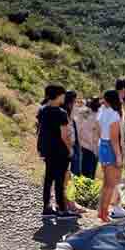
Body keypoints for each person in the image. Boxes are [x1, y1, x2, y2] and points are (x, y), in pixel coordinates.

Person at [38, 84, 76, 220]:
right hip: (60, 150)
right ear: (59, 95)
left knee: (49, 178)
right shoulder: (61, 113)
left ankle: (46, 208)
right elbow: (64, 135)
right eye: (63, 94)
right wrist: (70, 149)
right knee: (59, 180)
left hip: (47, 149)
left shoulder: (43, 110)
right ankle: (62, 209)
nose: (64, 97)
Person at [96, 90, 124, 223]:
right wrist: (118, 156)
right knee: (110, 184)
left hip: (102, 145)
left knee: (105, 183)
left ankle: (101, 211)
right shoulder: (114, 115)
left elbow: (99, 129)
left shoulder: (101, 110)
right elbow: (114, 139)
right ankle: (104, 213)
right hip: (110, 148)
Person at [77, 97, 101, 179]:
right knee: (89, 172)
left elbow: (79, 130)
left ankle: (86, 189)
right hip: (91, 147)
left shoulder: (85, 114)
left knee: (86, 172)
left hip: (88, 146)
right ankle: (87, 189)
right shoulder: (93, 115)